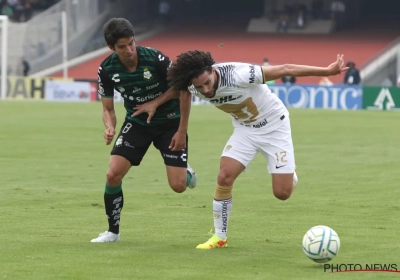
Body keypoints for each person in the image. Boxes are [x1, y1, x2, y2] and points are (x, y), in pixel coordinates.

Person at [133, 50, 348, 249]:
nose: (206, 90)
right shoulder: (191, 84)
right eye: (200, 87)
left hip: (275, 126)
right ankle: (220, 237)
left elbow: (286, 69)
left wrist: (327, 71)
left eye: (207, 83)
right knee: (224, 176)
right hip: (245, 130)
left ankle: (290, 173)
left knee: (282, 193)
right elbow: (182, 93)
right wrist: (178, 126)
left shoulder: (240, 74)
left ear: (213, 70)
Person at [90, 18, 197, 243]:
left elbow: (182, 87)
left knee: (178, 186)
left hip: (169, 121)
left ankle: (187, 172)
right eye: (122, 46)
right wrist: (109, 126)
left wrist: (156, 103)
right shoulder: (106, 69)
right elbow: (107, 108)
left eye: (131, 43)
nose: (129, 50)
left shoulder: (154, 58)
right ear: (111, 47)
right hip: (138, 122)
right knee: (112, 174)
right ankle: (113, 232)